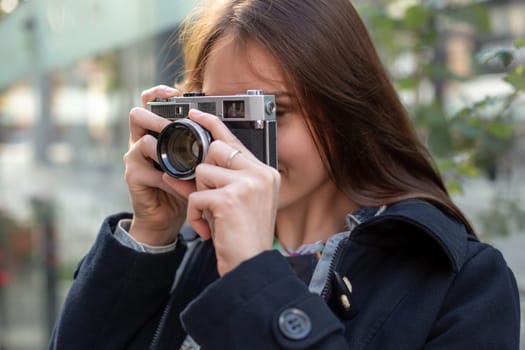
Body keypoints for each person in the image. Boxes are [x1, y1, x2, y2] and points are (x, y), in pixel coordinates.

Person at [49, 0, 521, 349]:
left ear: (345, 110)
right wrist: (150, 235)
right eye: (222, 116)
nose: (237, 149)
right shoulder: (191, 255)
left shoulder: (460, 281)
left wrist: (255, 278)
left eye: (272, 113)